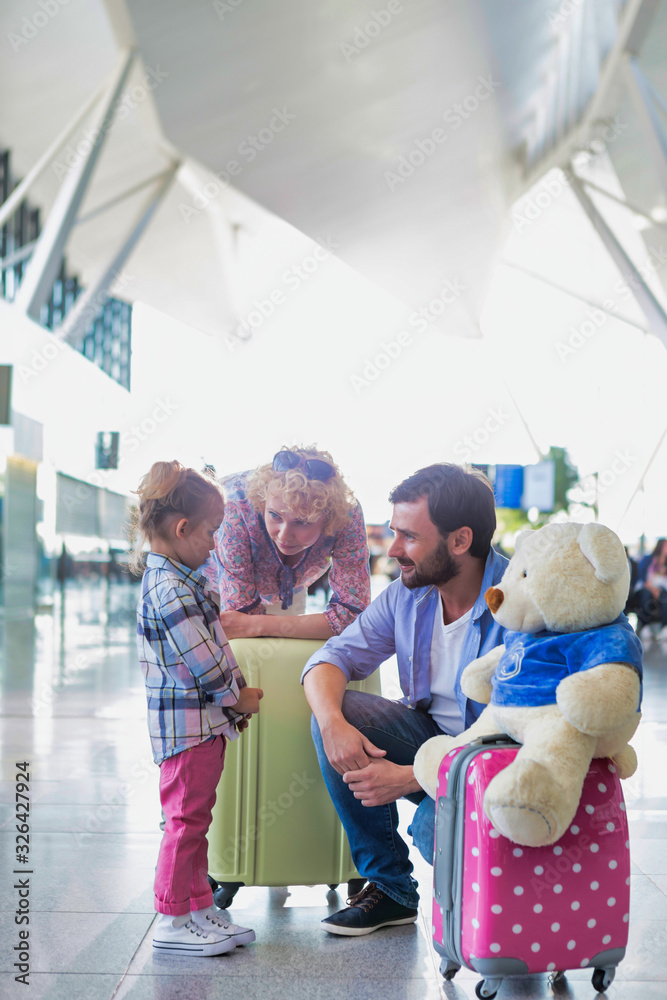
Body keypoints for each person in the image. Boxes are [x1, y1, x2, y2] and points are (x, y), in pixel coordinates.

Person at [302, 463, 509, 936]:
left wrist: (411, 777)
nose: (393, 550)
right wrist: (333, 724)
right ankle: (390, 889)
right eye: (394, 533)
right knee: (337, 712)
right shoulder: (406, 597)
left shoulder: (520, 601)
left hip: (498, 764)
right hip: (431, 741)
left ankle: (503, 906)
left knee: (437, 831)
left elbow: (519, 730)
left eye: (409, 537)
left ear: (460, 540)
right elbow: (329, 660)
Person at [134, 460, 263, 956]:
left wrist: (230, 704)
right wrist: (239, 698)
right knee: (185, 823)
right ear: (182, 528)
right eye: (211, 532)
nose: (215, 543)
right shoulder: (171, 590)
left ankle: (197, 905)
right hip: (188, 729)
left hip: (201, 725)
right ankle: (172, 918)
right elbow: (205, 667)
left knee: (196, 820)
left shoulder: (181, 581)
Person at [201, 446, 371, 640]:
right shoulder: (235, 504)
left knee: (284, 655)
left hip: (288, 593)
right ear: (263, 502)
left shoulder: (346, 514)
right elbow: (239, 619)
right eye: (275, 515)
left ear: (329, 520)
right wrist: (257, 625)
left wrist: (259, 624)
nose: (284, 535)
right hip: (213, 584)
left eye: (303, 522)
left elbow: (354, 615)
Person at [635, 538, 667, 638]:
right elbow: (641, 578)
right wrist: (653, 590)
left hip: (661, 588)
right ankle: (644, 625)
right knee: (646, 594)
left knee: (665, 596)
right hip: (646, 587)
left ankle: (665, 627)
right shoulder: (648, 559)